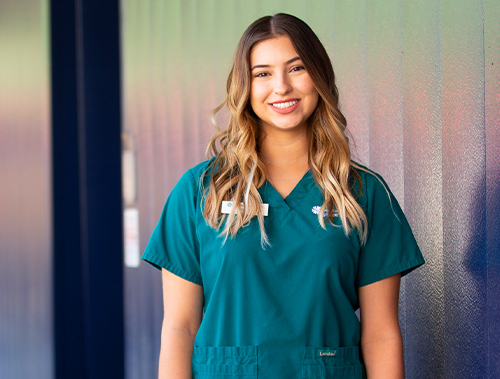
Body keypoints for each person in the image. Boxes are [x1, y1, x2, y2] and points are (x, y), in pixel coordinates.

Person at [142, 13, 424, 379]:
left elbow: (381, 335)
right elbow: (179, 328)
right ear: (245, 87)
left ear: (319, 77)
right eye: (262, 73)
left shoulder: (364, 194)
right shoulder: (199, 192)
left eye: (297, 68)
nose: (281, 87)